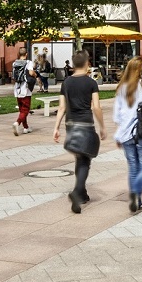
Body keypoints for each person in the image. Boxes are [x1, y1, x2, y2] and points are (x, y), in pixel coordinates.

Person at [53, 51, 104, 212]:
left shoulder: (66, 82)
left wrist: (56, 128)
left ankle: (82, 193)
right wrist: (102, 126)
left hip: (71, 124)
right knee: (85, 160)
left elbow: (62, 107)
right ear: (87, 63)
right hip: (86, 125)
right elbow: (96, 107)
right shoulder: (91, 83)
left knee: (79, 157)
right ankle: (77, 192)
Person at [111, 59, 142, 213]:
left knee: (133, 167)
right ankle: (136, 193)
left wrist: (118, 135)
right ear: (141, 69)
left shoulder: (121, 88)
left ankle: (135, 198)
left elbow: (117, 116)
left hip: (125, 134)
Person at [11, 54, 36, 135]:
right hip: (26, 88)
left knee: (22, 109)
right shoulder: (29, 63)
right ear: (26, 54)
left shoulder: (14, 63)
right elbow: (31, 72)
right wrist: (35, 75)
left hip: (17, 88)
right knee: (26, 109)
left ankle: (26, 127)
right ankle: (17, 123)